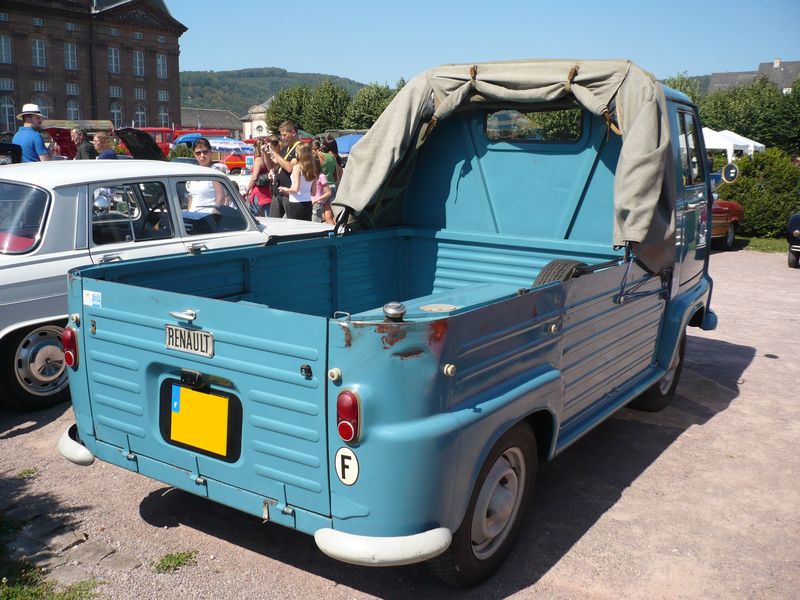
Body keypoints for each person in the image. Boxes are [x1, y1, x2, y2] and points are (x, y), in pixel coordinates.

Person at [268, 120, 302, 218]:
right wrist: (266, 154)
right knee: (273, 222)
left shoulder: (300, 148)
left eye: (284, 135)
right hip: (278, 191)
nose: (282, 138)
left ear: (293, 132)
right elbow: (272, 165)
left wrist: (275, 153)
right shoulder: (286, 148)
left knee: (291, 223)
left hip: (289, 193)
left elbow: (289, 168)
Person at [276, 142, 317, 220]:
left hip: (296, 202)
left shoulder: (297, 167)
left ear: (299, 154)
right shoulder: (312, 168)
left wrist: (285, 190)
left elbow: (295, 189)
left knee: (295, 228)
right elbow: (314, 192)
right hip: (308, 202)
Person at [186, 137, 227, 211]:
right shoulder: (193, 172)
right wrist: (188, 213)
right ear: (194, 154)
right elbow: (192, 198)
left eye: (205, 152)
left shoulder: (215, 171)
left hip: (208, 218)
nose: (202, 156)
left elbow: (220, 197)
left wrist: (215, 214)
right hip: (193, 218)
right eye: (198, 153)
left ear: (210, 152)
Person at [245, 137, 275, 216]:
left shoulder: (258, 160)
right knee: (269, 219)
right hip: (269, 193)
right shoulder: (270, 159)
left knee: (255, 218)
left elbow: (254, 177)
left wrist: (247, 190)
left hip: (258, 193)